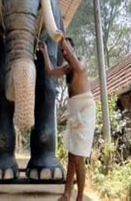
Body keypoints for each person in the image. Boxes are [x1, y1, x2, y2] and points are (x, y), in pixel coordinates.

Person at [38, 38, 96, 201]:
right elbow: (50, 71)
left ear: (72, 48)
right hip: (74, 111)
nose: (64, 53)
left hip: (85, 112)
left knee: (78, 158)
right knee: (71, 156)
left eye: (66, 50)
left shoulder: (81, 64)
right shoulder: (66, 68)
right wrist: (44, 52)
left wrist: (62, 40)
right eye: (62, 51)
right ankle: (66, 194)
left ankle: (79, 198)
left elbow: (77, 64)